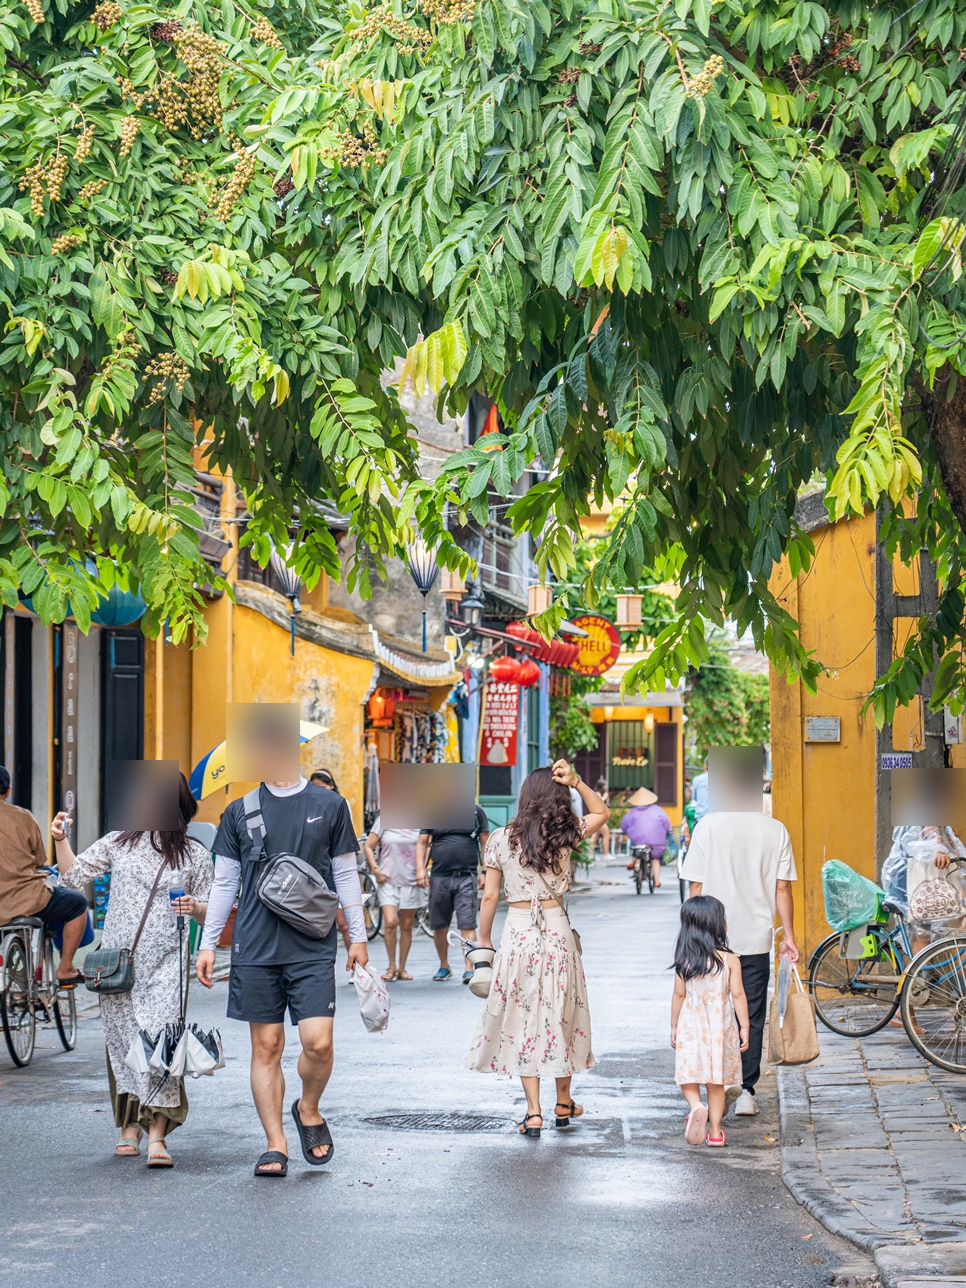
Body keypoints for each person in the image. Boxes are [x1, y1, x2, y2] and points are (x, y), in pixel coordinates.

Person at [196, 769, 367, 1177]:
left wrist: (356, 936)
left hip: (311, 941)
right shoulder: (239, 811)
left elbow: (344, 873)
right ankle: (276, 1143)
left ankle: (307, 1107)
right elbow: (225, 882)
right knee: (267, 1046)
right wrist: (207, 943)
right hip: (255, 944)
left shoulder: (330, 805)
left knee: (318, 1043)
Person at [51, 774, 211, 1167]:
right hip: (120, 964)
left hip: (167, 966)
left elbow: (213, 914)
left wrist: (194, 907)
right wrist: (59, 838)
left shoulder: (195, 854)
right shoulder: (118, 841)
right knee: (124, 1043)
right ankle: (128, 1129)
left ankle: (156, 1134)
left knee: (160, 1042)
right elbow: (73, 876)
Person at [468, 762, 609, 1138]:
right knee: (560, 1011)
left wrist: (483, 941)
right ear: (559, 796)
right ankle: (563, 1102)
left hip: (518, 933)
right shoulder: (566, 833)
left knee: (523, 1017)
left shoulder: (500, 838)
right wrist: (577, 780)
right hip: (556, 929)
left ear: (526, 796)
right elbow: (602, 812)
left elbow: (490, 895)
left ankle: (533, 1113)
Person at [681, 781, 799, 1118]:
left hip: (711, 939)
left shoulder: (707, 827)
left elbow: (696, 887)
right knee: (752, 1014)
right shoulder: (775, 830)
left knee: (709, 1012)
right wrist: (787, 936)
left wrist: (692, 935)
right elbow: (782, 888)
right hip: (755, 939)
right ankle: (746, 1090)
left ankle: (716, 1084)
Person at [671, 895, 750, 1148]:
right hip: (720, 1027)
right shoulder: (730, 959)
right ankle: (715, 1132)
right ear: (717, 925)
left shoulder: (685, 960)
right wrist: (745, 1026)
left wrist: (673, 1026)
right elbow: (738, 995)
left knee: (688, 1074)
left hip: (691, 1024)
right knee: (716, 1081)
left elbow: (679, 995)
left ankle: (696, 1106)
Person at [0, 766, 88, 985]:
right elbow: (40, 860)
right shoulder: (22, 818)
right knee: (77, 903)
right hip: (26, 899)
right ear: (8, 791)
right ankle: (66, 967)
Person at [416, 804, 489, 983]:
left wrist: (485, 871)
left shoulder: (476, 811)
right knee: (439, 925)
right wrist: (420, 869)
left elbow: (485, 842)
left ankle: (468, 968)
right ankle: (444, 966)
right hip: (439, 876)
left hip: (466, 876)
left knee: (467, 924)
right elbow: (422, 842)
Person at [363, 816, 422, 981]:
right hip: (387, 878)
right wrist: (375, 870)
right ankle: (391, 966)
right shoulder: (384, 819)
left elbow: (426, 845)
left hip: (411, 879)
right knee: (390, 922)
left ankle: (402, 968)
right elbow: (368, 846)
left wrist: (421, 869)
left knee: (407, 925)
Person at [620, 787, 671, 888]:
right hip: (656, 842)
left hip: (638, 842)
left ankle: (634, 860)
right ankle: (656, 880)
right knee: (655, 858)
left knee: (635, 844)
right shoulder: (658, 810)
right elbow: (667, 825)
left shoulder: (632, 812)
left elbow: (624, 826)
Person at [595, 778, 611, 857]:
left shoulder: (601, 793)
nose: (606, 787)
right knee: (607, 835)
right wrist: (605, 797)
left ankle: (590, 854)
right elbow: (599, 801)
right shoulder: (597, 793)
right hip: (599, 817)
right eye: (605, 785)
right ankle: (606, 853)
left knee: (595, 835)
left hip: (600, 817)